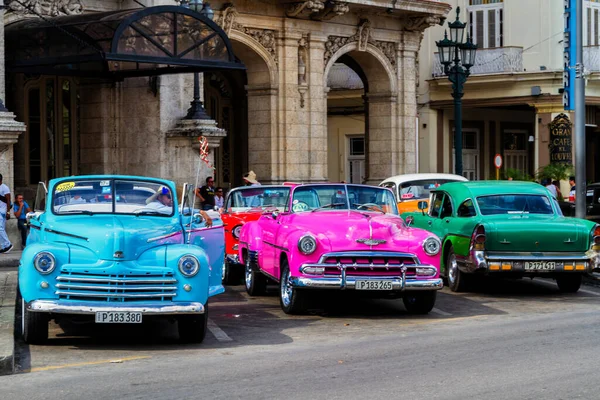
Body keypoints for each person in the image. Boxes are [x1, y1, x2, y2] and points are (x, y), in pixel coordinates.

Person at [0, 174, 12, 253]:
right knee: (1, 228)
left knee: (0, 228)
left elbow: (8, 201)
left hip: (3, 211)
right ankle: (4, 246)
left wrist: (8, 212)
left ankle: (8, 244)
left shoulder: (5, 187)